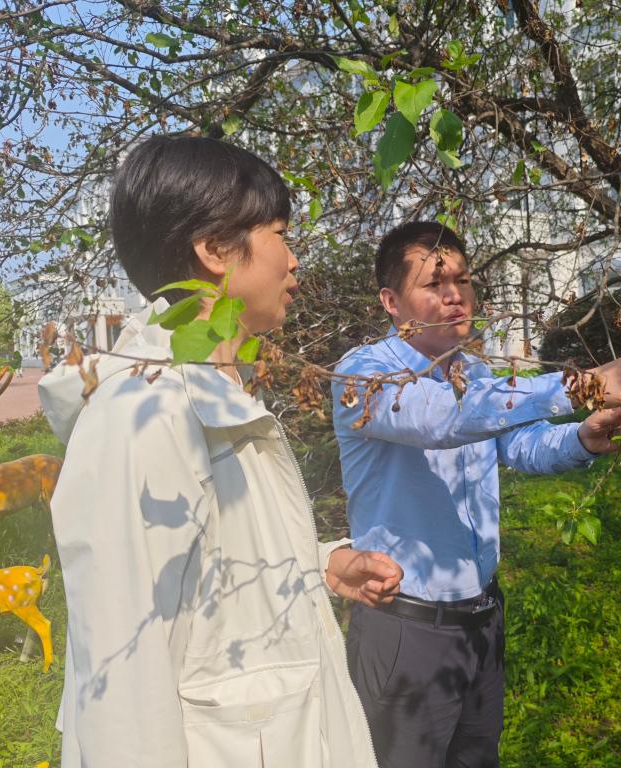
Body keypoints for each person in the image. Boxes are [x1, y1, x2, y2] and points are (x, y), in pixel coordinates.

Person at [38, 135, 402, 767]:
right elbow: (123, 696)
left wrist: (315, 566)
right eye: (280, 234)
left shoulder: (212, 392)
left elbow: (201, 576)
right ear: (214, 250)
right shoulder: (144, 417)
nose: (294, 260)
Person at [331, 221, 621, 768]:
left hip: (481, 619)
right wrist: (582, 383)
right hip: (407, 629)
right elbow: (439, 419)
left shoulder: (475, 372)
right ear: (391, 302)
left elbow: (519, 445)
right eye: (434, 283)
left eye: (463, 280)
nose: (455, 295)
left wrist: (583, 436)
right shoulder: (362, 374)